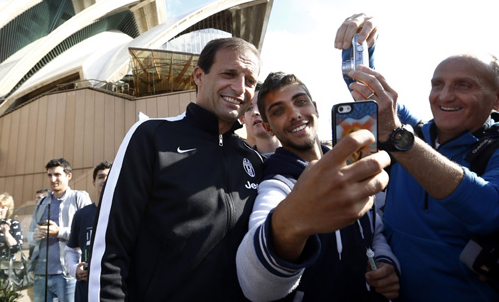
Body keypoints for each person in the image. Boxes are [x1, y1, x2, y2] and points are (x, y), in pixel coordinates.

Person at [88, 37, 391, 301]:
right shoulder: (151, 136)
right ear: (199, 76)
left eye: (250, 81)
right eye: (229, 74)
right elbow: (109, 250)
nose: (240, 88)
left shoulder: (254, 161)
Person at [336, 14, 499, 301]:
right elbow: (368, 93)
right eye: (438, 84)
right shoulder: (418, 132)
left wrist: (399, 137)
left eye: (464, 85)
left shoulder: (493, 147)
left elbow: (489, 212)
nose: (444, 96)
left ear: (495, 100)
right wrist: (360, 44)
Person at [236, 72, 400, 301]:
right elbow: (256, 286)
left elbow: (374, 227)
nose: (294, 114)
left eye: (300, 102)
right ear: (268, 127)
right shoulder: (276, 184)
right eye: (279, 111)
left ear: (315, 108)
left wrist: (385, 261)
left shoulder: (352, 164)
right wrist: (289, 223)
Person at [28, 158, 92, 302]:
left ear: (68, 176)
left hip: (67, 274)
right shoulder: (43, 202)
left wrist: (59, 232)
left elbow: (87, 233)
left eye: (57, 174)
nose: (53, 179)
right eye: (50, 175)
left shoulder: (79, 198)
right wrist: (35, 235)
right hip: (41, 274)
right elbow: (30, 235)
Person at [65, 161, 111, 302]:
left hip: (114, 285)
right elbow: (71, 249)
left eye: (109, 176)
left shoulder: (126, 213)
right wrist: (75, 270)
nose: (104, 180)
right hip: (86, 287)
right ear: (94, 182)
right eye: (100, 177)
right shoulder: (81, 215)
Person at [239, 82, 280, 156]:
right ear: (242, 118)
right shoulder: (235, 161)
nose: (255, 112)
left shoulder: (300, 155)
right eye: (249, 108)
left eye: (261, 105)